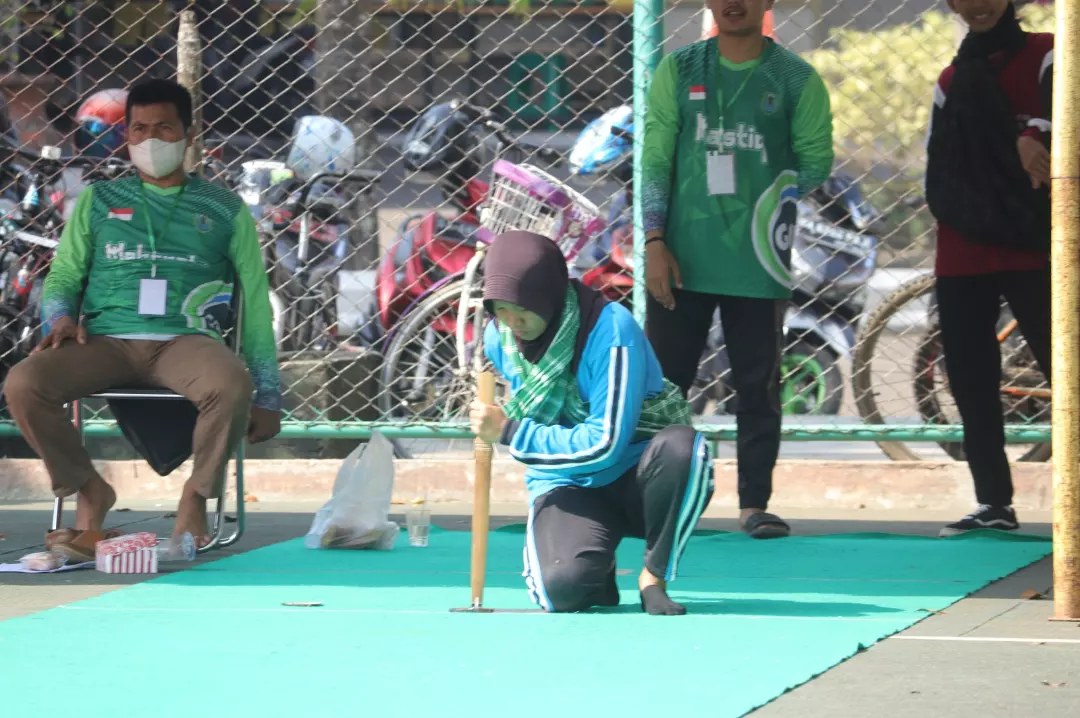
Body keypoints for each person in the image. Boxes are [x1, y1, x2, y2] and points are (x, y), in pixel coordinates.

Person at [3, 78, 282, 560]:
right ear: (126, 136)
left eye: (164, 129)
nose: (151, 141)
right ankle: (90, 490)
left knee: (231, 384)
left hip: (185, 340)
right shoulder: (99, 200)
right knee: (25, 383)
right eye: (139, 130)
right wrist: (60, 319)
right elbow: (65, 274)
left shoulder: (224, 209)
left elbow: (255, 303)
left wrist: (270, 392)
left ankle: (194, 501)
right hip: (105, 339)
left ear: (190, 133)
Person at [640, 0, 834, 538]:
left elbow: (816, 159)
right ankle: (663, 501)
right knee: (665, 388)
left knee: (757, 385)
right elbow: (655, 159)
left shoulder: (795, 78)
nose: (734, 3)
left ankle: (754, 506)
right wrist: (655, 239)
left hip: (758, 257)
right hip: (680, 256)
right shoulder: (678, 69)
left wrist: (766, 194)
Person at [469, 231, 715, 615]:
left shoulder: (611, 330)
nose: (513, 322)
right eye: (501, 309)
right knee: (561, 593)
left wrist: (510, 432)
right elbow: (534, 407)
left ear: (547, 296)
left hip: (636, 474)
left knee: (686, 450)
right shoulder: (497, 338)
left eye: (523, 310)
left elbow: (606, 442)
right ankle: (597, 566)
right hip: (567, 481)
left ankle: (653, 574)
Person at [925, 0, 1053, 537]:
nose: (976, 5)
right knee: (971, 377)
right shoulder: (951, 79)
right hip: (964, 243)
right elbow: (940, 160)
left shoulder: (1050, 54)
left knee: (1063, 364)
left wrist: (1036, 133)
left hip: (1036, 243)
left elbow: (1058, 114)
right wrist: (1015, 142)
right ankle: (993, 501)